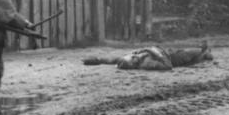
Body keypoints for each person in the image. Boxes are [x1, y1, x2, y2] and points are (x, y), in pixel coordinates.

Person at [82, 41, 212, 70]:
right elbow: (168, 66)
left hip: (167, 50)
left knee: (195, 52)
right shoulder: (147, 64)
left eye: (131, 57)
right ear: (134, 64)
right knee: (196, 53)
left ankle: (203, 53)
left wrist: (96, 60)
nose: (134, 56)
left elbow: (109, 60)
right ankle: (204, 53)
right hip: (174, 58)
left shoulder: (128, 57)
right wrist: (155, 52)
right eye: (133, 59)